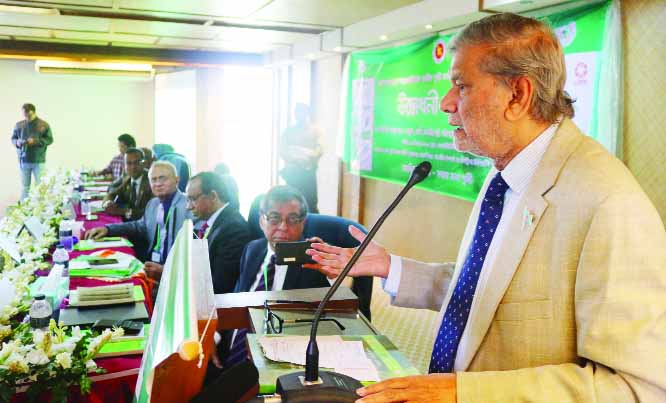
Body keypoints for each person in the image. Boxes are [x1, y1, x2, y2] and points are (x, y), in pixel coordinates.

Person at [307, 13, 666, 402]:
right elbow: (487, 290)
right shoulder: (505, 175)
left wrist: (466, 393)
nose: (445, 103)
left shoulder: (607, 202)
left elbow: (637, 388)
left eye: (461, 86)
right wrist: (389, 267)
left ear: (517, 95)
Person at [85, 161, 192, 293]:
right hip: (151, 267)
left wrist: (167, 270)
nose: (158, 183)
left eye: (163, 178)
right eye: (153, 179)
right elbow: (138, 226)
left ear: (177, 180)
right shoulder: (153, 204)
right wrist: (108, 229)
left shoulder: (189, 206)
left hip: (175, 274)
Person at [186, 171, 250, 294]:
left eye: (193, 199)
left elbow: (220, 284)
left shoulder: (233, 229)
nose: (188, 206)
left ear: (213, 196)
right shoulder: (210, 223)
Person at [279, 103, 322, 213]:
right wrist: (295, 159)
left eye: (302, 112)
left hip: (308, 172)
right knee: (291, 201)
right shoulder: (289, 131)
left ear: (307, 113)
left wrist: (308, 157)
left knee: (310, 203)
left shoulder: (315, 131)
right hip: (293, 173)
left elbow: (320, 149)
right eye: (297, 113)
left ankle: (312, 227)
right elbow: (283, 150)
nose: (299, 115)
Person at [11, 103, 53, 200]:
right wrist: (17, 142)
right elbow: (13, 138)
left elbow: (50, 140)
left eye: (29, 115)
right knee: (25, 187)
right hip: (24, 160)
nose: (27, 118)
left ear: (34, 112)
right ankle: (23, 210)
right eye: (24, 115)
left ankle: (41, 210)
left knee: (41, 187)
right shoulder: (19, 125)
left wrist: (36, 141)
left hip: (39, 161)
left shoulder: (43, 125)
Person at [103, 148, 153, 221]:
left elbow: (150, 213)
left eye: (136, 162)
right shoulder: (127, 178)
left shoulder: (152, 181)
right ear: (124, 166)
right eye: (129, 163)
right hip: (131, 223)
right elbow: (112, 192)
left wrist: (123, 211)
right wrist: (108, 202)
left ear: (144, 163)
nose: (133, 167)